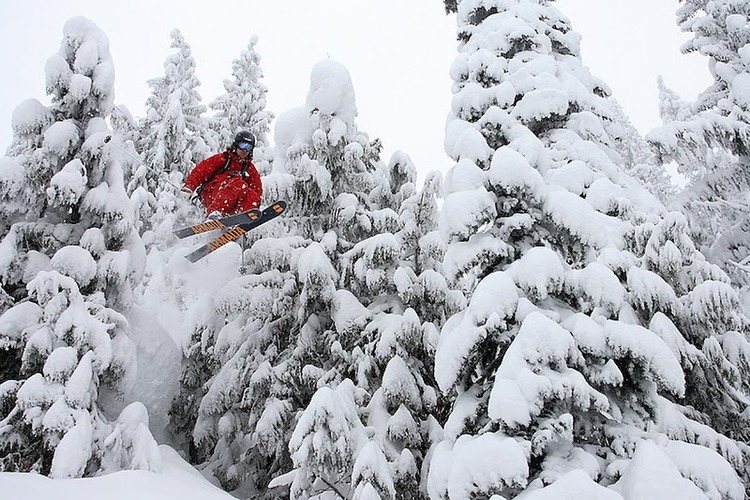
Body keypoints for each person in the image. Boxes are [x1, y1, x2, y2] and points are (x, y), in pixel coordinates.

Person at [180, 131, 263, 218]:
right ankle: (215, 213)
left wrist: (255, 205)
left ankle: (241, 219)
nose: (245, 150)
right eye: (243, 145)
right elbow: (201, 171)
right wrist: (189, 187)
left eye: (248, 147)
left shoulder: (249, 169)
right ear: (236, 144)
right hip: (213, 194)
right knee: (238, 184)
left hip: (231, 204)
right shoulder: (223, 159)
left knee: (252, 195)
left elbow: (257, 190)